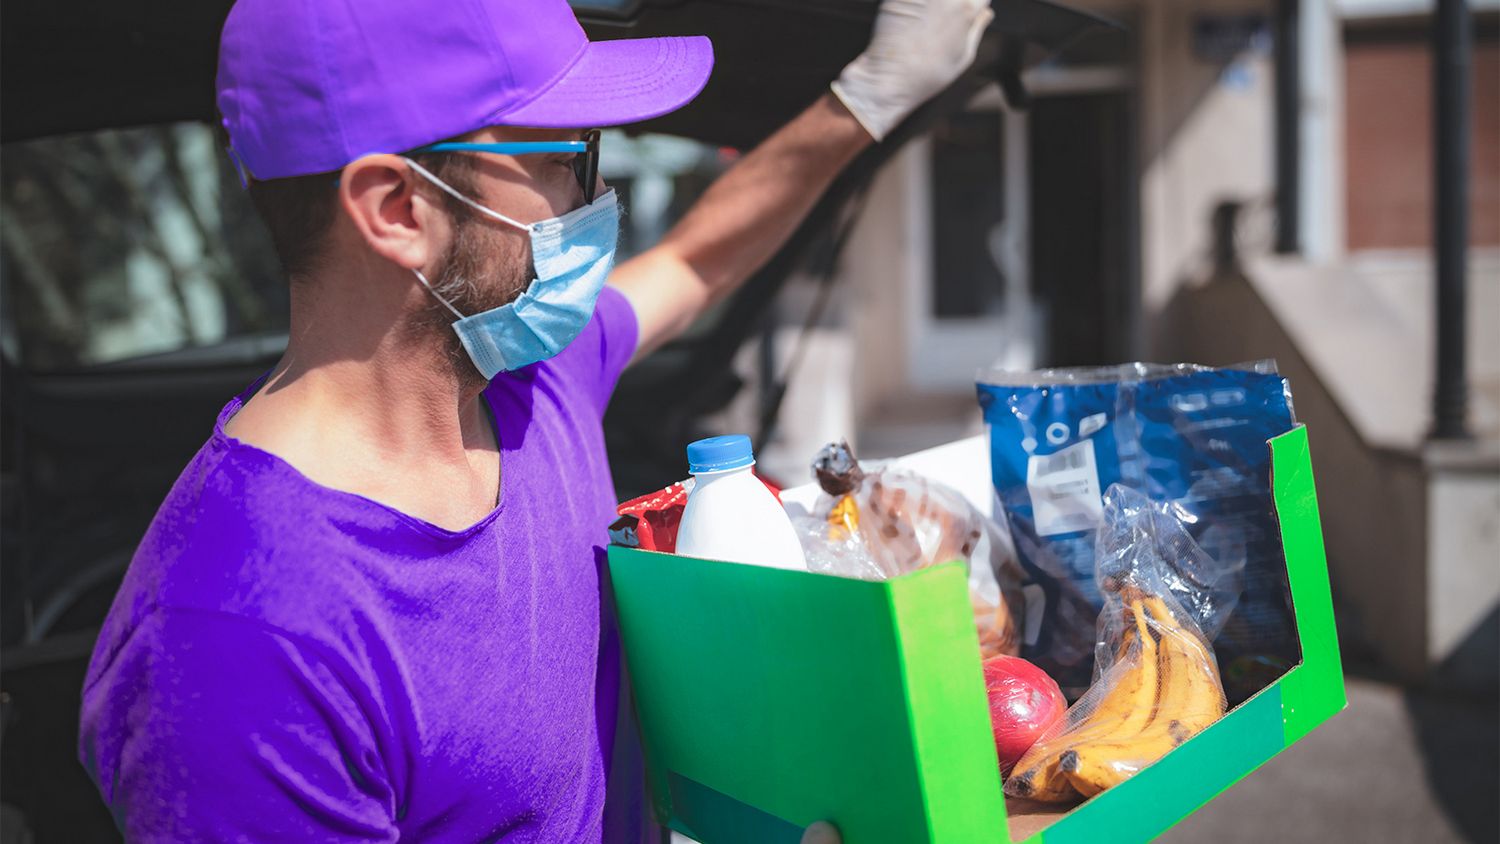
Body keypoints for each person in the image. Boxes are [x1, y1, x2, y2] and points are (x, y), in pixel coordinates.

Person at [77, 0, 992, 840]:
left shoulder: (528, 383)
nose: (595, 204)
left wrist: (867, 99)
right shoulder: (235, 643)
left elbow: (693, 261)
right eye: (565, 159)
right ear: (398, 210)